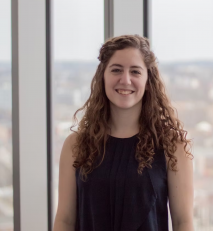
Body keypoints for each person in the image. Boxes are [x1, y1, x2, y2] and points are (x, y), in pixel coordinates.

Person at [53, 35, 194, 231]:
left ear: (148, 80)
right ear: (103, 76)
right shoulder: (75, 144)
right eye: (116, 70)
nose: (125, 80)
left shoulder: (172, 145)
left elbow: (183, 223)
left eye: (135, 71)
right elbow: (65, 221)